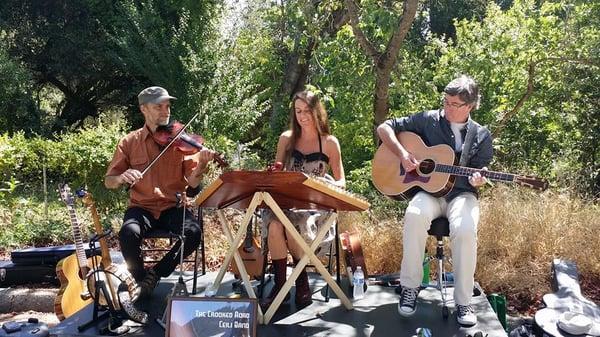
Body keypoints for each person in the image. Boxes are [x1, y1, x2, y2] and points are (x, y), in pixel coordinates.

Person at [376, 75, 493, 326]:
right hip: (429, 193)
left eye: (454, 104)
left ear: (470, 106)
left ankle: (463, 301)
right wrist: (403, 154)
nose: (447, 107)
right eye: (446, 101)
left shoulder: (481, 135)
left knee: (465, 230)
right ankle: (409, 288)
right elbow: (384, 128)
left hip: (462, 195)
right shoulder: (428, 119)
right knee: (414, 215)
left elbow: (480, 171)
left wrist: (478, 179)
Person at [104, 86, 214, 298]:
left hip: (172, 206)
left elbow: (192, 183)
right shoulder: (129, 142)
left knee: (193, 232)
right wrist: (121, 177)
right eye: (159, 107)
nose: (166, 112)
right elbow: (109, 181)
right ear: (144, 109)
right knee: (128, 233)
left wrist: (201, 167)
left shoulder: (179, 140)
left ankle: (155, 274)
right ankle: (138, 279)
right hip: (141, 207)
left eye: (167, 106)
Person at [261, 90, 346, 309]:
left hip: (314, 207)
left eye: (307, 111)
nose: (302, 116)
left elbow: (342, 182)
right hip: (286, 201)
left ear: (317, 112)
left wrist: (322, 185)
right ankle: (281, 286)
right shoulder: (286, 139)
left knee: (293, 225)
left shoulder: (329, 142)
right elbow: (277, 172)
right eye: (298, 111)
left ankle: (301, 282)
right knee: (275, 225)